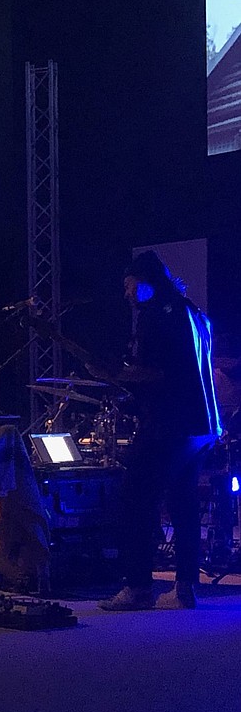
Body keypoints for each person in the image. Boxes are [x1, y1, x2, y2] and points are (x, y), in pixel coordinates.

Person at [89, 252, 221, 610]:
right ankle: (185, 588)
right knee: (184, 502)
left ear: (146, 281)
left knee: (135, 499)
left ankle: (137, 587)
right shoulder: (194, 312)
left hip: (168, 425)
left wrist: (110, 374)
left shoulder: (154, 317)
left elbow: (155, 372)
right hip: (204, 426)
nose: (127, 294)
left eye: (129, 285)